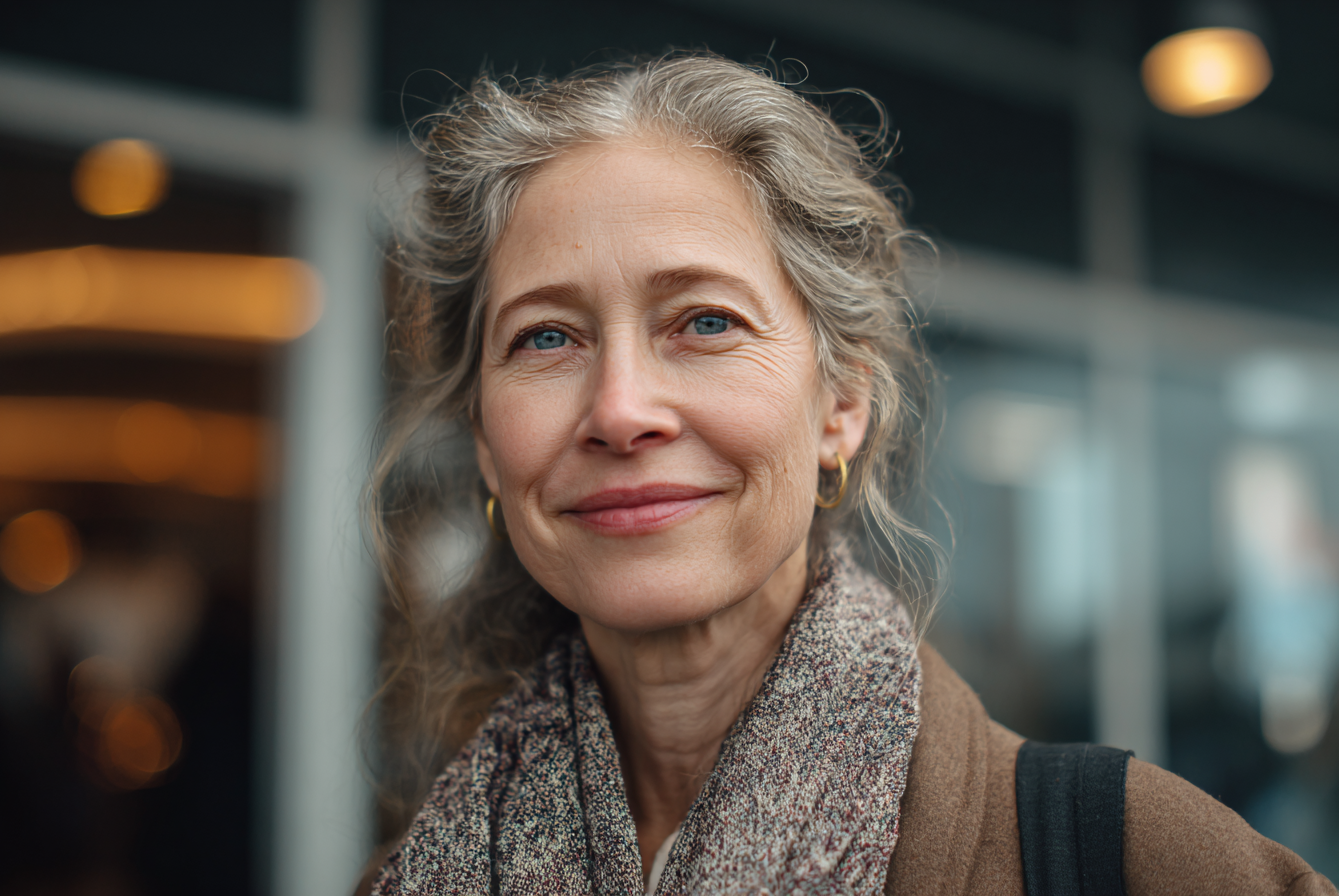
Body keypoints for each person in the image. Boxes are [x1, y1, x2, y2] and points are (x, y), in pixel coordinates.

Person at [365, 53, 1335, 896]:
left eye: (706, 321)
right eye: (545, 336)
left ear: (842, 404)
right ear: (487, 441)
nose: (620, 409)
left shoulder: (1125, 858)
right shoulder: (416, 872)